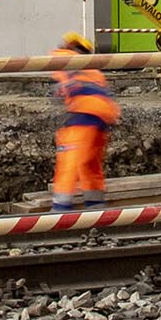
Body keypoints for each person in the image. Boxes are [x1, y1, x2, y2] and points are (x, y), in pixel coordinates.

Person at [49, 32, 119, 211]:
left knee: (69, 161)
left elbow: (61, 91)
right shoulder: (94, 70)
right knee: (89, 163)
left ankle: (60, 208)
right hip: (103, 117)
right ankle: (95, 205)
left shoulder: (63, 58)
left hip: (83, 115)